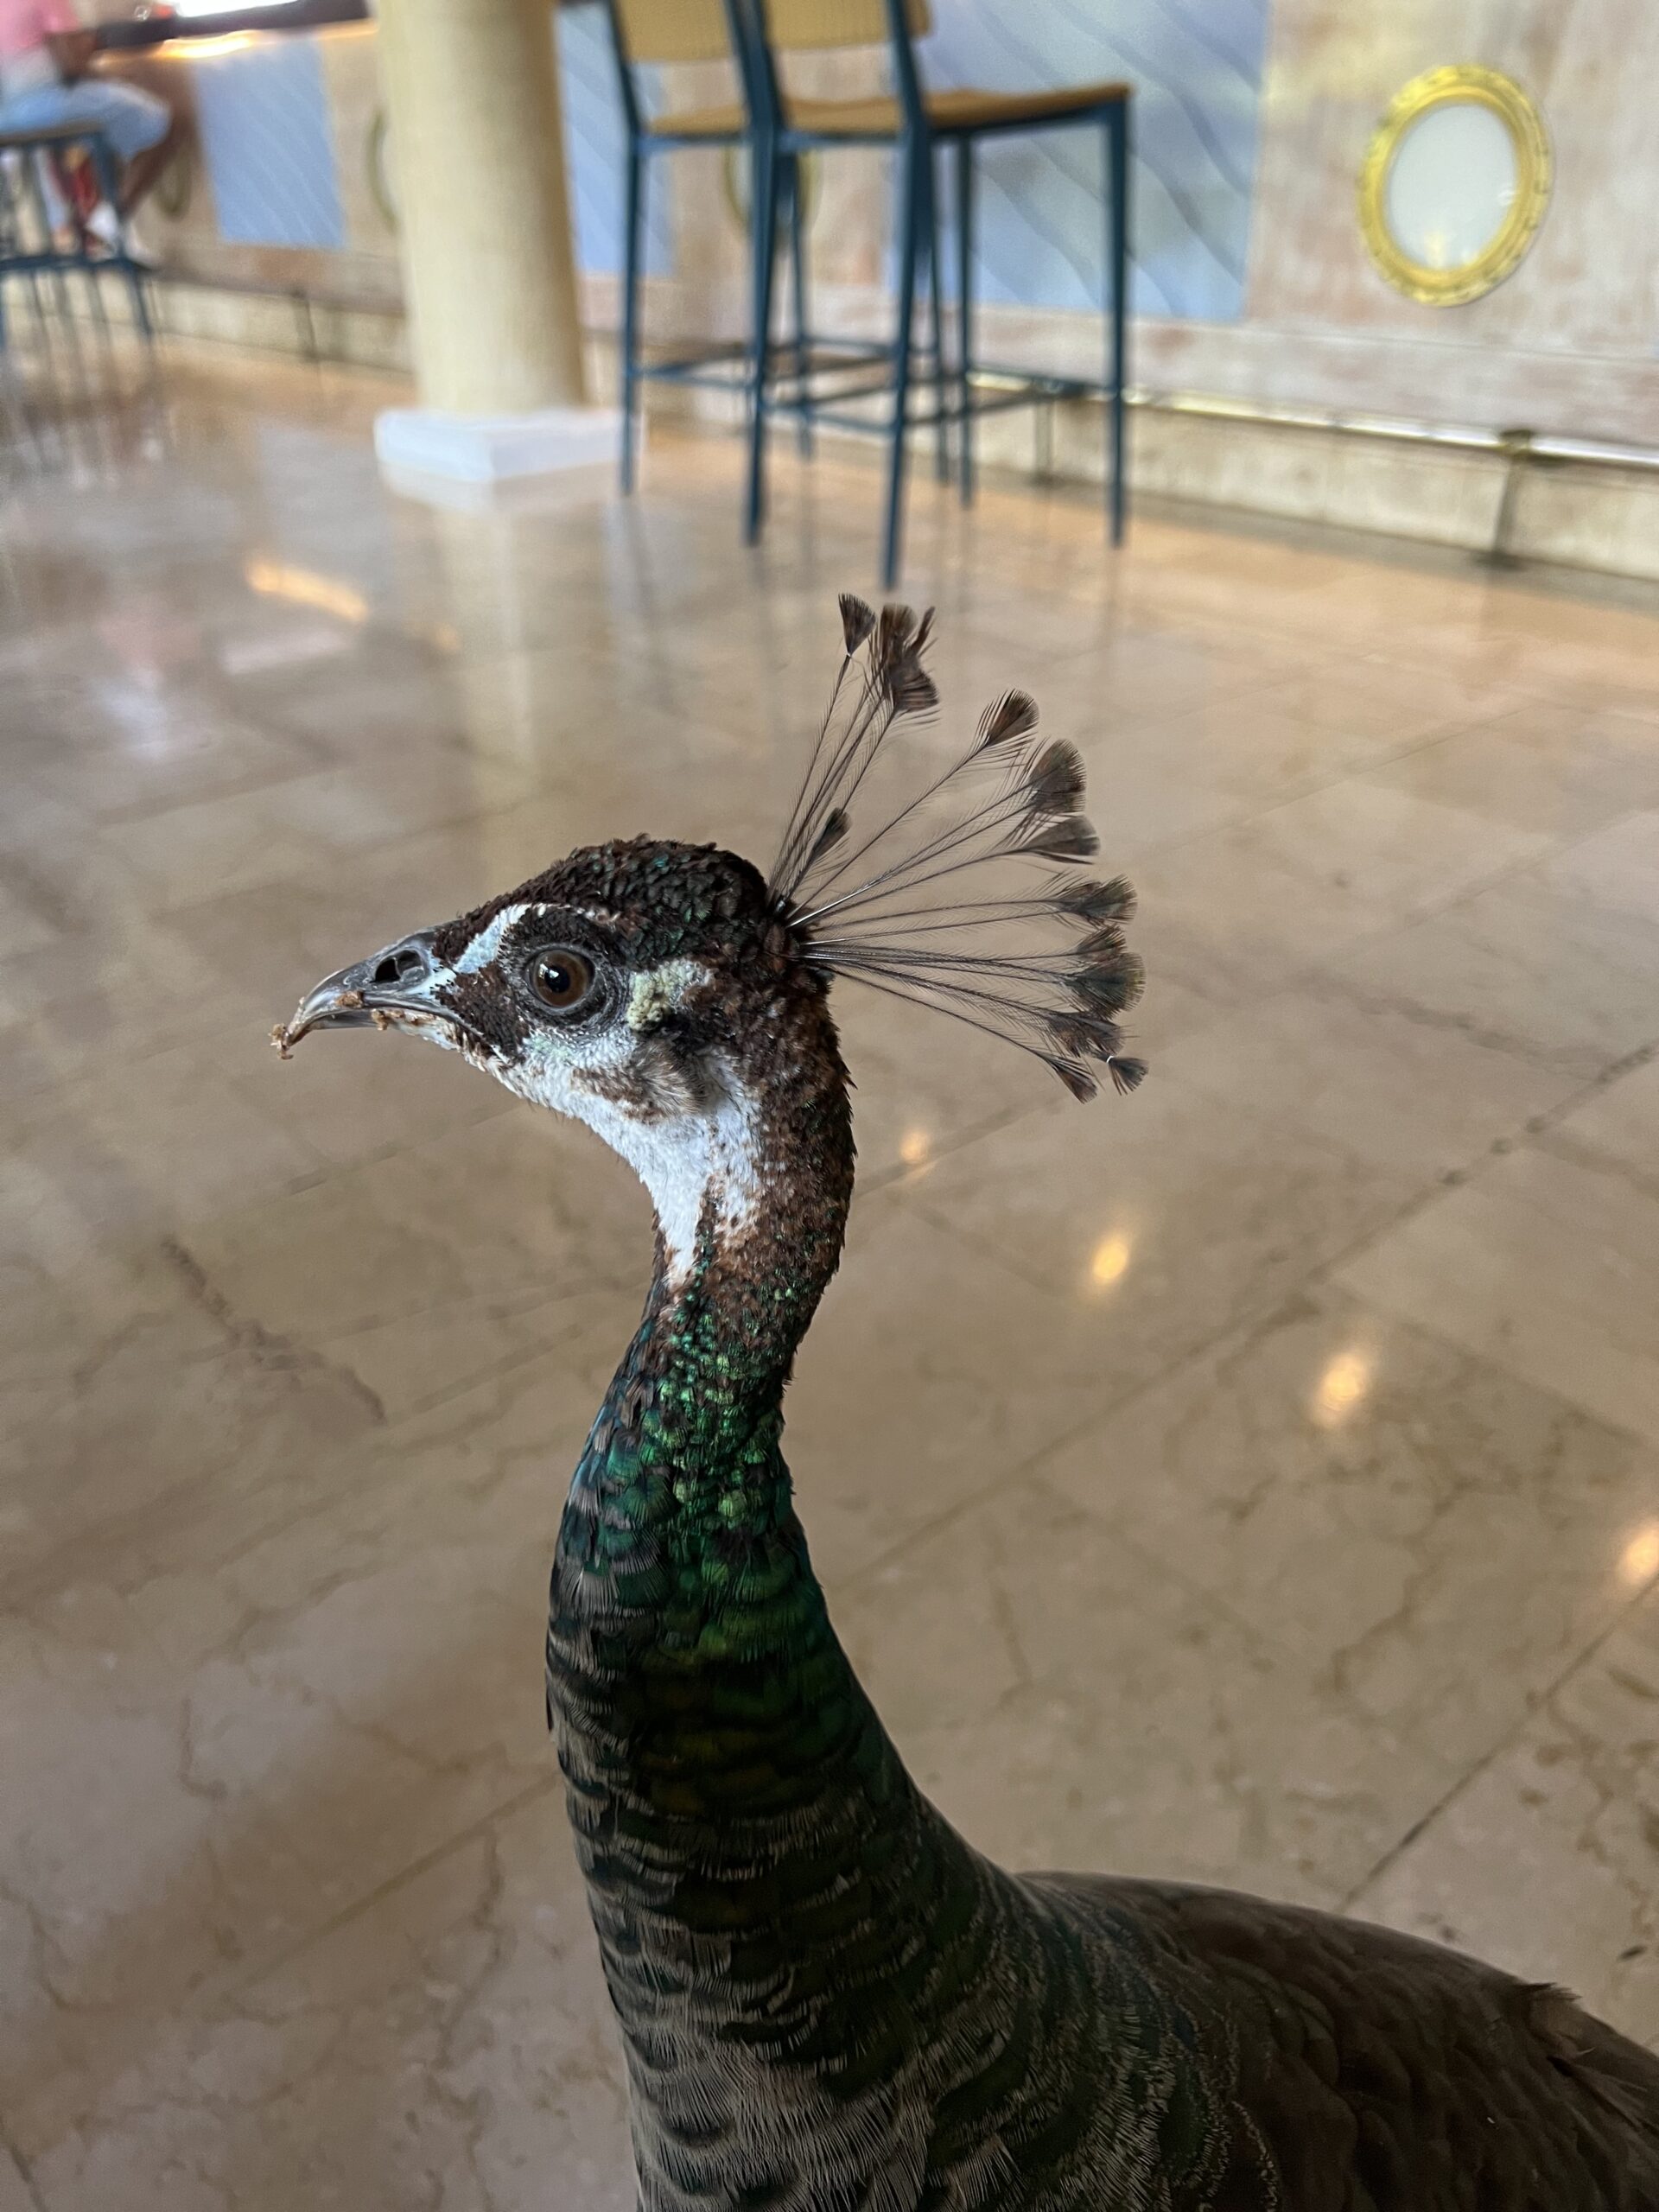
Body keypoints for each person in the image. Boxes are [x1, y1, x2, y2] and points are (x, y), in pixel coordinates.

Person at [0, 0, 179, 258]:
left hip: (9, 122)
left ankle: (79, 228)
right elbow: (71, 62)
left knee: (96, 127)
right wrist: (112, 79)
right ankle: (110, 223)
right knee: (163, 120)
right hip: (42, 107)